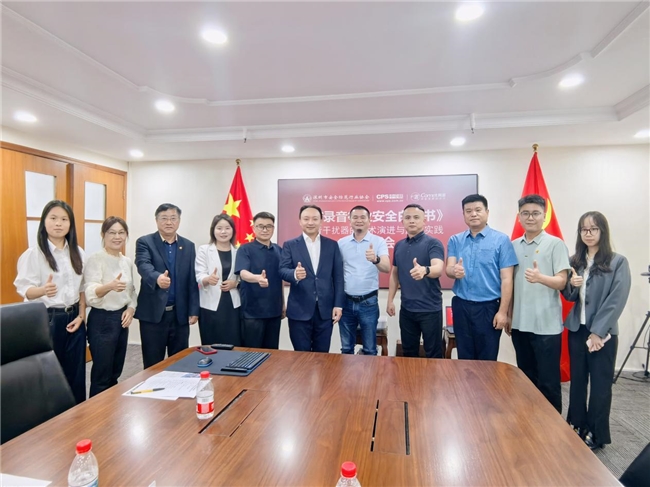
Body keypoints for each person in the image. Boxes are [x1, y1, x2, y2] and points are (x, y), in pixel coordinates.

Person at [562, 211, 631, 450]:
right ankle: (576, 423)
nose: (588, 233)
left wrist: (598, 332)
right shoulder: (574, 261)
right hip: (577, 329)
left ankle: (596, 431)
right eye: (584, 229)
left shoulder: (617, 262)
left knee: (601, 385)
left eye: (593, 229)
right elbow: (570, 296)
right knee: (578, 381)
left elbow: (616, 300)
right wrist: (571, 285)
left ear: (603, 231)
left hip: (603, 334)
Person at [14, 200, 87, 403]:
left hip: (75, 318)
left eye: (64, 219)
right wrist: (42, 290)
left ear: (70, 224)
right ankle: (52, 419)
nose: (58, 223)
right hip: (47, 320)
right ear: (44, 222)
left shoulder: (78, 252)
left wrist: (82, 315)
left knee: (76, 373)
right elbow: (24, 289)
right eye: (53, 218)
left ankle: (77, 414)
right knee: (49, 375)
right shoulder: (33, 254)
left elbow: (82, 288)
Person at [510, 194, 570, 414]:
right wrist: (508, 313)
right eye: (525, 213)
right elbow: (508, 284)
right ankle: (529, 421)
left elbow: (562, 281)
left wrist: (540, 278)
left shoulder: (555, 244)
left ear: (544, 216)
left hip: (546, 325)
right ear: (519, 217)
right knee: (525, 378)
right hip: (519, 323)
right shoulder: (513, 245)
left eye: (535, 213)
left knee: (548, 381)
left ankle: (552, 426)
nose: (530, 217)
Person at [446, 194, 518, 361]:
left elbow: (507, 279)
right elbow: (449, 268)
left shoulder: (501, 240)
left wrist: (503, 312)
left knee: (487, 359)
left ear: (487, 212)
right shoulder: (455, 240)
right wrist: (454, 271)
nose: (473, 214)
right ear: (463, 214)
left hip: (489, 308)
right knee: (464, 357)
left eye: (478, 210)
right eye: (468, 211)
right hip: (461, 305)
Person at [134, 203, 199, 369]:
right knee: (153, 363)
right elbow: (143, 264)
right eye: (164, 218)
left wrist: (193, 310)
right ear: (156, 220)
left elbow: (192, 280)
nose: (169, 222)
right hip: (153, 314)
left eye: (173, 218)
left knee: (180, 362)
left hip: (179, 314)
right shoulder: (145, 242)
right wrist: (157, 278)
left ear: (179, 221)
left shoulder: (188, 245)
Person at [279, 205, 345, 352]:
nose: (310, 222)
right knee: (301, 356)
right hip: (299, 310)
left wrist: (338, 305)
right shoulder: (290, 245)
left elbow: (338, 277)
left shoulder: (332, 245)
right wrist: (294, 274)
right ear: (300, 221)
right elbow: (282, 270)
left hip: (325, 311)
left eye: (315, 219)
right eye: (306, 219)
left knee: (322, 356)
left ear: (321, 221)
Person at [83, 216, 136, 397]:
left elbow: (132, 292)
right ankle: (95, 411)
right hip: (102, 320)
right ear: (103, 235)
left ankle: (112, 409)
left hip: (121, 319)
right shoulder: (96, 259)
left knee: (116, 371)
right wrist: (109, 286)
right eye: (112, 232)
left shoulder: (126, 261)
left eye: (121, 232)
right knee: (102, 374)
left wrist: (130, 309)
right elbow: (90, 293)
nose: (117, 237)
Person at [387, 204, 445, 358]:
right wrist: (390, 300)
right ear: (402, 221)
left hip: (430, 310)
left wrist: (425, 270)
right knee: (408, 353)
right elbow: (394, 274)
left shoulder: (433, 243)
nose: (411, 221)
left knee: (433, 354)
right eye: (407, 218)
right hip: (407, 310)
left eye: (416, 217)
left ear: (424, 220)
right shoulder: (399, 245)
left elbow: (438, 268)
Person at [337, 205, 390, 355]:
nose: (359, 220)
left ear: (369, 220)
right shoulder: (341, 243)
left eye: (362, 217)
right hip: (346, 302)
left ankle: (370, 372)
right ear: (350, 220)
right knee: (346, 348)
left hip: (368, 302)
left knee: (370, 349)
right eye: (355, 217)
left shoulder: (378, 241)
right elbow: (335, 272)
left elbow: (386, 267)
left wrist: (375, 259)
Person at [235, 212, 285, 349]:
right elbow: (243, 273)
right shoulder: (245, 249)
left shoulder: (279, 250)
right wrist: (257, 278)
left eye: (269, 226)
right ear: (254, 228)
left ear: (273, 228)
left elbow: (280, 278)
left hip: (274, 311)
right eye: (260, 226)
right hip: (252, 312)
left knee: (272, 352)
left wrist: (283, 303)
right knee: (252, 352)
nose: (265, 230)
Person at [195, 214, 241, 345]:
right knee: (212, 344)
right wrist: (208, 279)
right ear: (213, 230)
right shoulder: (204, 250)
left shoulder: (238, 251)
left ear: (233, 230)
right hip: (210, 305)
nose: (223, 232)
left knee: (234, 343)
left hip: (233, 305)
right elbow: (199, 274)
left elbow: (242, 276)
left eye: (227, 228)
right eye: (219, 228)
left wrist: (235, 283)